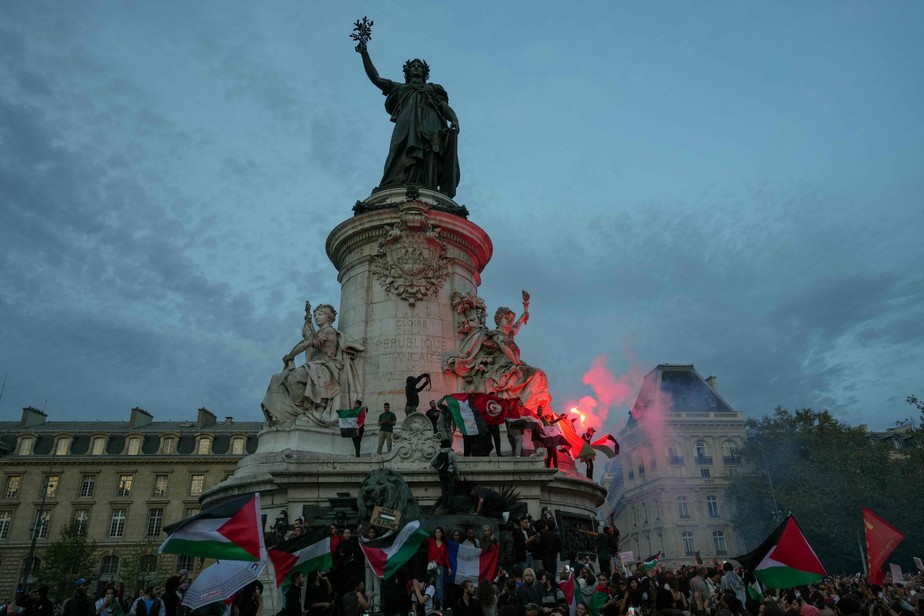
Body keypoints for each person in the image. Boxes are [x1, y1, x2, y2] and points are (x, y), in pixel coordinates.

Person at [355, 39, 460, 198]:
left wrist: (454, 119)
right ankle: (393, 183)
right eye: (413, 66)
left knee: (429, 154)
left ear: (425, 72)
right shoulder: (400, 88)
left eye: (419, 66)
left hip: (431, 125)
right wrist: (364, 54)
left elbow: (444, 107)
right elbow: (376, 79)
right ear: (407, 71)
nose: (416, 67)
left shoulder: (433, 88)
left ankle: (427, 185)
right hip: (405, 124)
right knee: (399, 149)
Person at [262, 302, 364, 427]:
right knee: (278, 378)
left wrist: (291, 355)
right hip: (315, 365)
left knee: (292, 379)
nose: (316, 317)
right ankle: (302, 410)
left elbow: (307, 342)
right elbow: (309, 334)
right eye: (316, 314)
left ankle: (305, 410)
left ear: (329, 317)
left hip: (326, 366)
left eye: (320, 314)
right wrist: (308, 316)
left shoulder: (329, 331)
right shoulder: (321, 331)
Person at [431, 439, 459, 512]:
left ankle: (444, 506)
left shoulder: (439, 452)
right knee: (450, 491)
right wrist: (457, 475)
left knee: (444, 491)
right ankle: (449, 507)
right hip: (449, 473)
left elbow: (432, 461)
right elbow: (455, 465)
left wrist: (437, 467)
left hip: (442, 474)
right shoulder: (451, 453)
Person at [426, 527, 452, 608]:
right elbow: (423, 537)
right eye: (436, 532)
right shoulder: (431, 541)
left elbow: (446, 557)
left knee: (438, 587)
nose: (437, 534)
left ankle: (439, 604)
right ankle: (428, 605)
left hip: (439, 567)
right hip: (430, 567)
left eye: (438, 532)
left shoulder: (444, 545)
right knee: (428, 585)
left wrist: (449, 568)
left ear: (441, 534)